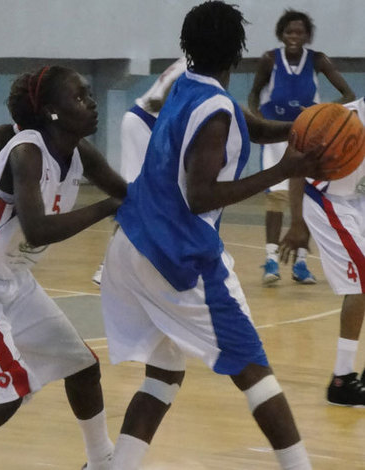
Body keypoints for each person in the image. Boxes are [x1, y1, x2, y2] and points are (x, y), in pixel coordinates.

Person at [99, 2, 336, 469]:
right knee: (253, 368)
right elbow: (200, 197)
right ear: (239, 51)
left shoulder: (191, 88)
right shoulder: (216, 113)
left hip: (130, 247)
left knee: (164, 371)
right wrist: (284, 170)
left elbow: (258, 126)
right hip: (176, 256)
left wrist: (308, 130)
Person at [0, 65, 127, 470]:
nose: (91, 103)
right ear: (51, 111)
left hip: (8, 277)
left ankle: (101, 462)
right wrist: (106, 208)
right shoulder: (27, 152)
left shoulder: (79, 152)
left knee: (82, 366)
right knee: (5, 393)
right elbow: (38, 229)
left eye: (88, 94)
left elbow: (127, 194)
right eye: (79, 97)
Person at [248, 8, 355, 285]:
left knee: (305, 198)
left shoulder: (318, 60)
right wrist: (258, 122)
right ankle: (271, 259)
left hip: (307, 137)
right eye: (289, 31)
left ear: (307, 35)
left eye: (299, 32)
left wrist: (325, 114)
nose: (294, 36)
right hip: (275, 134)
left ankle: (302, 264)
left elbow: (349, 94)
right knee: (277, 196)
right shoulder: (269, 60)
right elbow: (253, 94)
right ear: (281, 34)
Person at [280, 97, 365, 406]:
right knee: (362, 280)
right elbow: (296, 163)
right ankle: (342, 380)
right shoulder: (338, 118)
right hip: (326, 199)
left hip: (358, 199)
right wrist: (298, 222)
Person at [92, 57, 186, 285]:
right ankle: (107, 267)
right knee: (133, 198)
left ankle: (161, 259)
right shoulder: (200, 61)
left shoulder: (190, 57)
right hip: (144, 125)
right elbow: (175, 89)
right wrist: (164, 102)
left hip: (145, 124)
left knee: (163, 195)